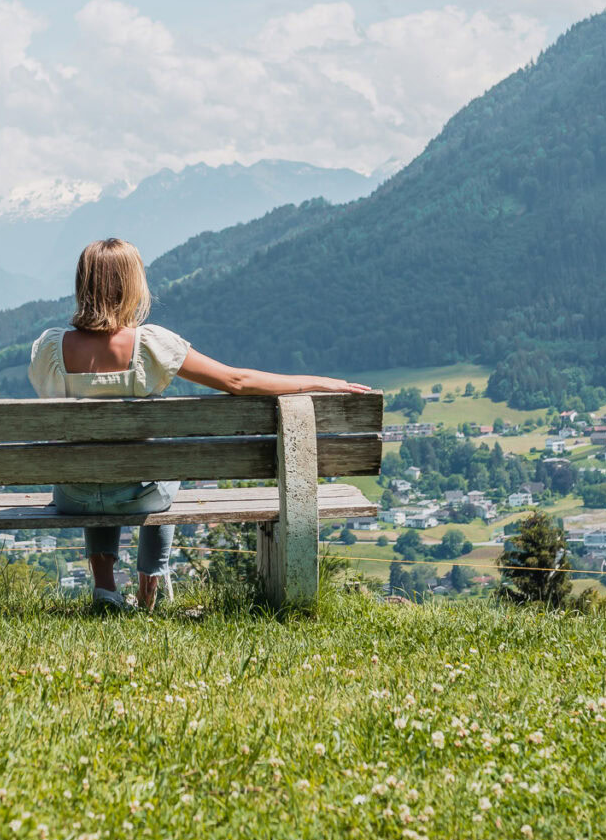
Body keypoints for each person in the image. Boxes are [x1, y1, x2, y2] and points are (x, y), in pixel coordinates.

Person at [28, 238, 371, 612]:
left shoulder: (49, 347)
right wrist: (318, 382)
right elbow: (237, 382)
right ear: (132, 284)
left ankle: (106, 589)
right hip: (140, 494)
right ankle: (147, 591)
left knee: (94, 464)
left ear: (84, 284)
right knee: (160, 466)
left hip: (72, 496)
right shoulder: (151, 344)